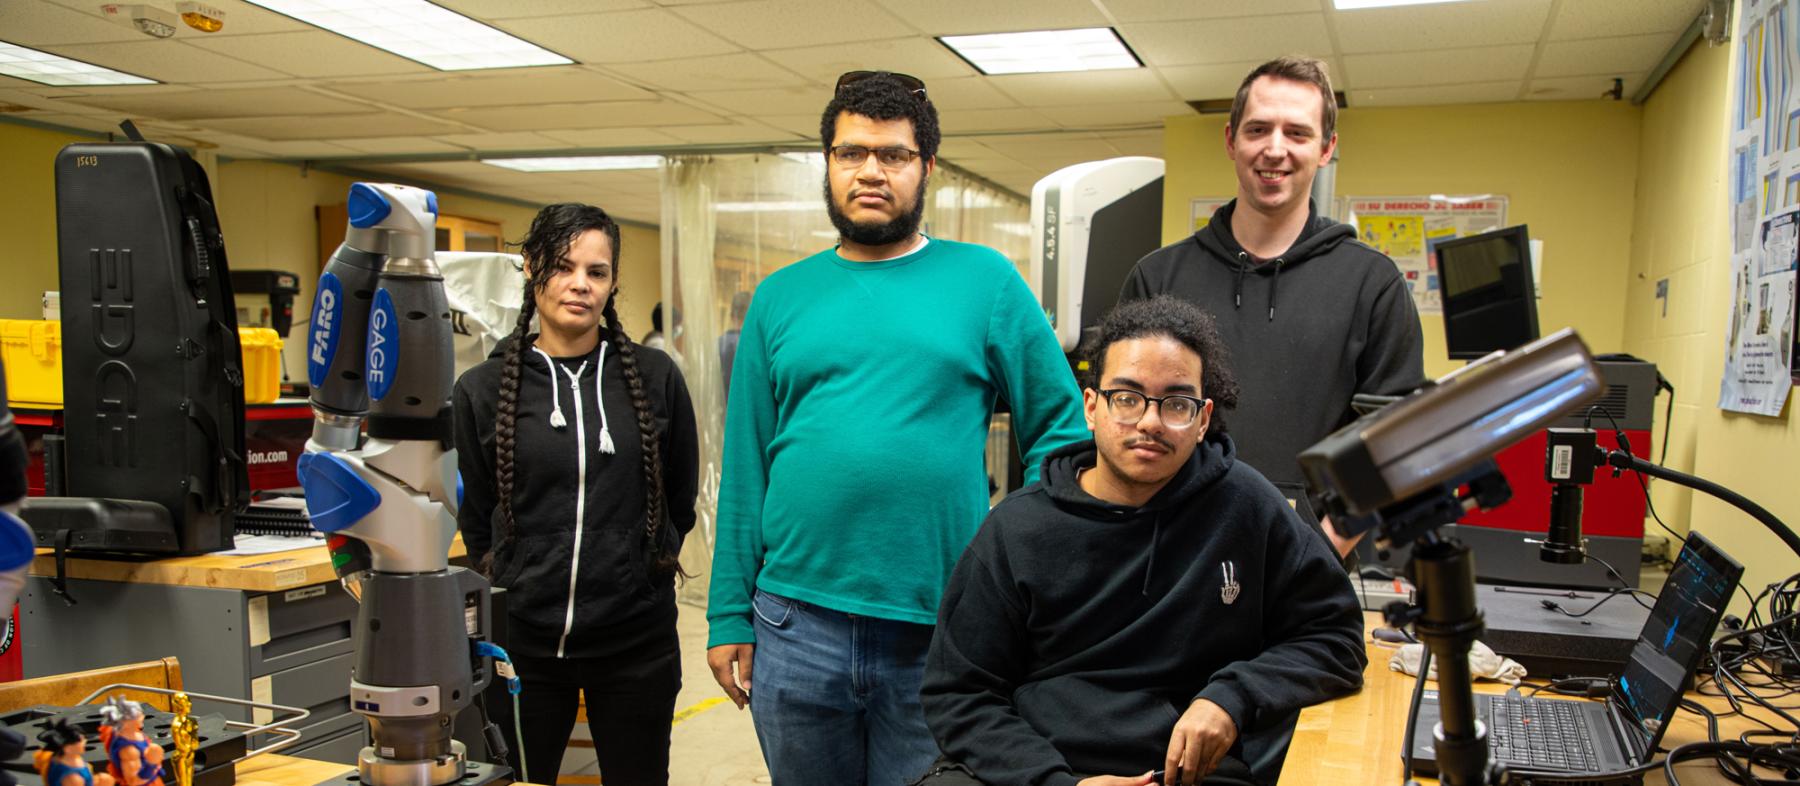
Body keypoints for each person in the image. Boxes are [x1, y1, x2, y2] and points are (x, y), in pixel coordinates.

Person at [706, 70, 1088, 786]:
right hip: (795, 625)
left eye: (893, 155)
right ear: (827, 164)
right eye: (851, 154)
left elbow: (1063, 433)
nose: (870, 172)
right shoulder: (780, 297)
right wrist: (729, 611)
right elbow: (747, 460)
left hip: (939, 629)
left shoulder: (986, 281)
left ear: (927, 168)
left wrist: (1023, 561)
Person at [918, 296, 1366, 786]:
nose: (1150, 422)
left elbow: (1335, 638)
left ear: (1202, 420)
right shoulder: (1015, 529)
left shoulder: (1247, 507)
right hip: (1039, 768)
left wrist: (1232, 698)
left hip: (1188, 773)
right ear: (1092, 407)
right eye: (1127, 398)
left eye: (1176, 403)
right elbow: (960, 694)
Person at [1119, 56, 1424, 560]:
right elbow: (1124, 417)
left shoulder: (1372, 283)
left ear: (1327, 148)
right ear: (1230, 139)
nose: (1274, 149)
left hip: (1307, 563)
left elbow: (1392, 438)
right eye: (1258, 129)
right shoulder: (1158, 277)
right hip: (1168, 556)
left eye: (1297, 133)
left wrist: (1322, 548)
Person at [453, 203, 699, 786]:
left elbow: (680, 497)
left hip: (636, 645)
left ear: (612, 283)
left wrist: (638, 568)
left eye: (597, 272)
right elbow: (477, 513)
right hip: (523, 649)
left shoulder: (655, 376)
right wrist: (519, 572)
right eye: (564, 267)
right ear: (533, 267)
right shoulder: (482, 391)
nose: (580, 285)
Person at [98, 697, 163, 786]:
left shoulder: (138, 734)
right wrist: (151, 763)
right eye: (138, 716)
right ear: (127, 721)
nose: (142, 717)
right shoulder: (128, 750)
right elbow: (133, 781)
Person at [35, 720, 115, 786]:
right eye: (81, 740)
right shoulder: (72, 778)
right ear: (68, 748)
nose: (85, 741)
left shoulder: (71, 757)